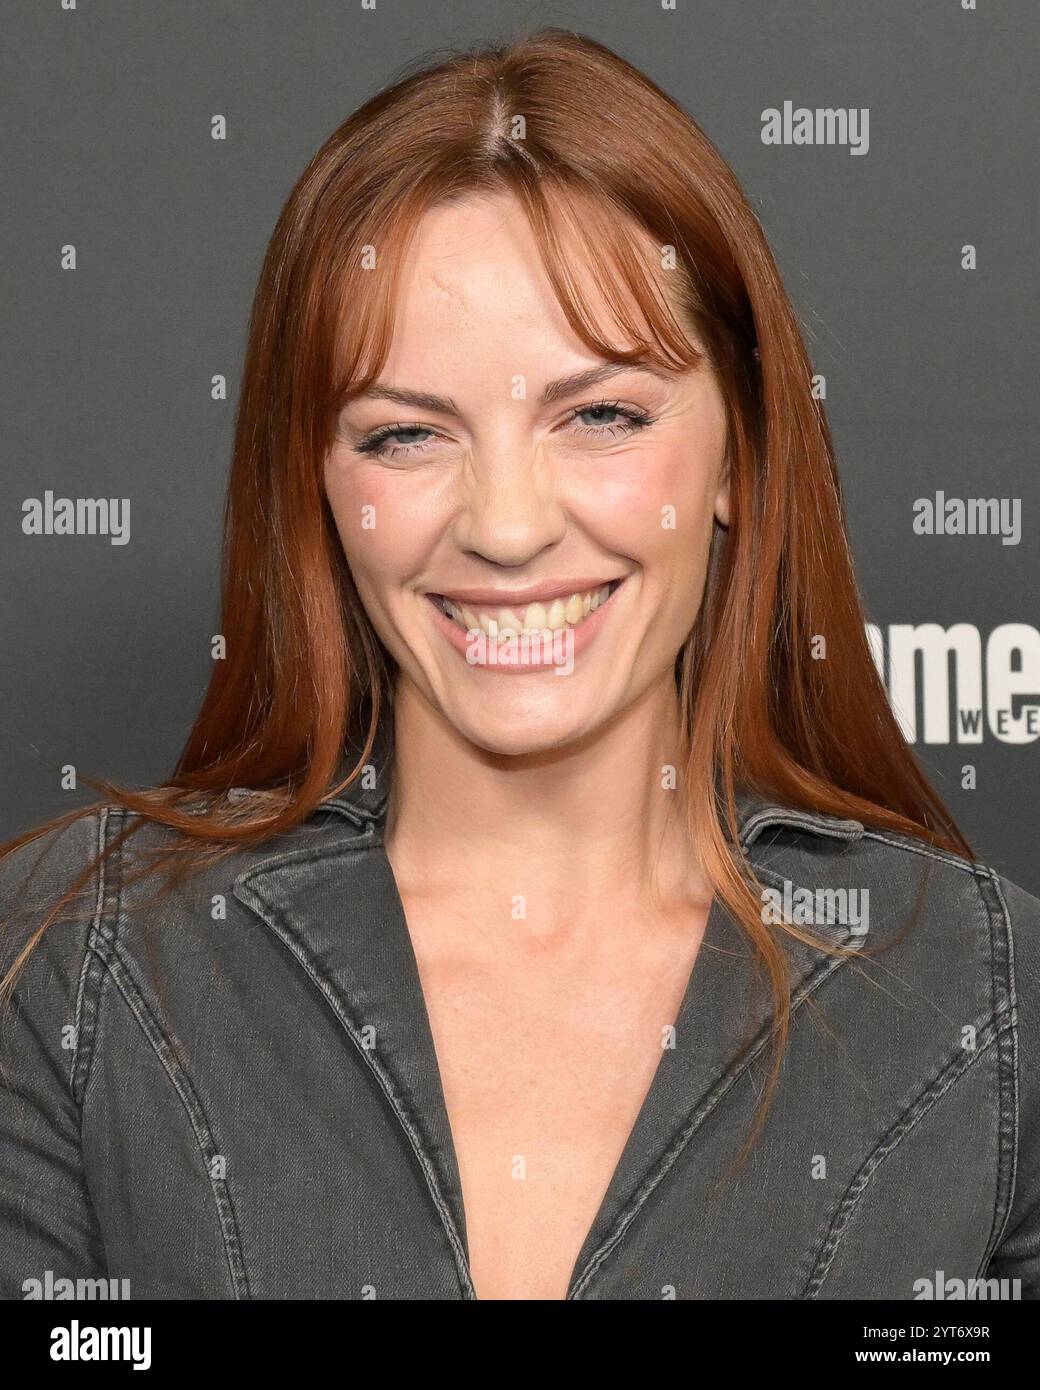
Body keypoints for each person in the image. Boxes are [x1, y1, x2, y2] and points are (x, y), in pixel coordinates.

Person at [1, 29, 1037, 1302]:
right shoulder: (74, 960)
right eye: (404, 435)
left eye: (599, 415)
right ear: (316, 483)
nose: (503, 524)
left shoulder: (983, 993)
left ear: (742, 452)